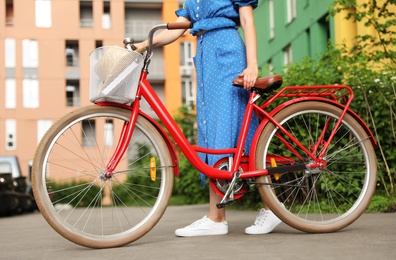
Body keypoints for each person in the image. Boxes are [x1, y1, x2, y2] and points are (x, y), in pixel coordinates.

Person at [134, 0, 282, 237]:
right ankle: (218, 217)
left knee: (231, 129)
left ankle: (260, 208)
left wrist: (253, 64)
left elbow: (246, 19)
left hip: (227, 54)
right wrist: (144, 44)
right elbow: (181, 25)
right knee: (211, 133)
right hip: (205, 57)